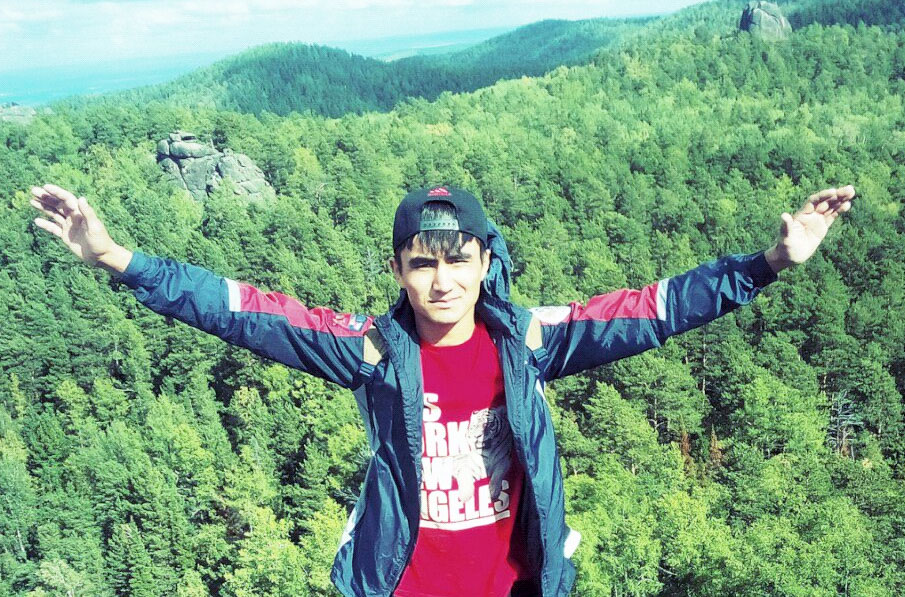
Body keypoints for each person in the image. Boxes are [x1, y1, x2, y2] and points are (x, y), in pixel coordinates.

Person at [30, 182, 855, 596]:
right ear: (398, 268)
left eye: (458, 259)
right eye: (421, 262)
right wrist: (116, 258)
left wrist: (768, 263)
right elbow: (241, 309)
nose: (440, 279)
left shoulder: (528, 340)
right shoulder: (369, 352)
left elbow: (650, 311)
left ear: (485, 263)